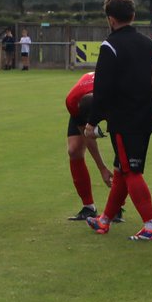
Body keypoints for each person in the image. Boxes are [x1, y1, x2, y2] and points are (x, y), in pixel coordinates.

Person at [84, 0, 152, 241]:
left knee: (131, 170)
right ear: (133, 16)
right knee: (122, 168)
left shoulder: (109, 46)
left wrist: (92, 122)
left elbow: (102, 89)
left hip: (124, 120)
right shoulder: (151, 43)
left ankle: (151, 225)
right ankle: (104, 219)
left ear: (111, 19)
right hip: (145, 117)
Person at [64, 71, 113, 223]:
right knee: (74, 150)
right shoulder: (73, 101)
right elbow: (87, 137)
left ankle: (116, 207)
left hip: (112, 102)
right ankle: (88, 207)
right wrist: (102, 167)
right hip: (86, 100)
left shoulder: (112, 94)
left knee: (122, 150)